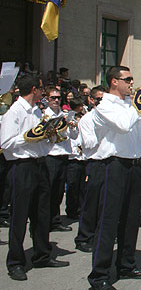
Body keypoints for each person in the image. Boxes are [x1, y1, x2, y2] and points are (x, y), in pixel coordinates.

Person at [89, 66, 141, 289]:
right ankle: (99, 274)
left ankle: (126, 264)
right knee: (109, 221)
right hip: (114, 166)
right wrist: (139, 105)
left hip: (134, 166)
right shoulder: (104, 106)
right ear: (114, 82)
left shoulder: (130, 106)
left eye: (132, 79)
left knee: (131, 219)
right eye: (127, 79)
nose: (132, 83)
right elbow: (122, 125)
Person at [1, 74, 70, 281]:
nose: (43, 92)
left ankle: (42, 254)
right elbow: (6, 143)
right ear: (34, 89)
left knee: (42, 214)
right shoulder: (14, 112)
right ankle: (15, 262)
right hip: (22, 166)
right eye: (41, 89)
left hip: (40, 164)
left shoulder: (34, 110)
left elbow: (39, 139)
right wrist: (30, 136)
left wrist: (49, 134)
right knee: (20, 216)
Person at [74, 86, 105, 253]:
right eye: (99, 99)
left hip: (107, 163)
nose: (102, 103)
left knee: (104, 202)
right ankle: (84, 237)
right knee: (91, 202)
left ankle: (99, 234)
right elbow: (89, 143)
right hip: (94, 163)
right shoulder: (87, 120)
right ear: (91, 101)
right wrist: (104, 132)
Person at [43, 86, 77, 232]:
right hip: (51, 155)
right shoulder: (44, 115)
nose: (56, 100)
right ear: (47, 99)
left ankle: (55, 220)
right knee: (48, 190)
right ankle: (45, 220)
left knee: (58, 192)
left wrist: (73, 126)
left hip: (64, 154)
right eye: (53, 98)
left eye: (58, 98)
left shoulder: (66, 114)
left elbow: (74, 137)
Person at [65, 97, 87, 220]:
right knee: (73, 185)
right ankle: (72, 210)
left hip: (82, 156)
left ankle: (80, 208)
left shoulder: (84, 116)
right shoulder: (69, 117)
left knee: (82, 186)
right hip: (73, 156)